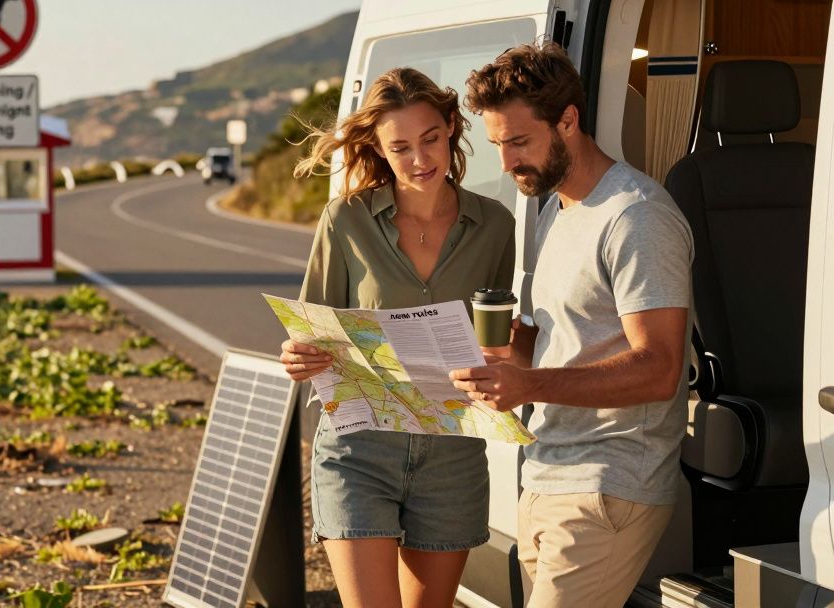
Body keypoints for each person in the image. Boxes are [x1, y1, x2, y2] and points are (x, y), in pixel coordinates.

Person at [450, 42, 694, 607]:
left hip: (609, 483)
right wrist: (520, 348)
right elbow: (575, 339)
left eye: (518, 142)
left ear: (568, 122)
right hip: (546, 470)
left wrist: (529, 384)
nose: (507, 164)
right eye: (497, 145)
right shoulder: (555, 209)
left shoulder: (636, 217)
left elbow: (659, 368)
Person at [277, 67, 516, 608]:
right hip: (359, 449)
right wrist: (298, 356)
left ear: (452, 128)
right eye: (400, 147)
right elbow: (311, 334)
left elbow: (497, 338)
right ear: (379, 150)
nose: (419, 160)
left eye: (430, 139)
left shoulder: (498, 225)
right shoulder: (345, 220)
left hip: (452, 453)